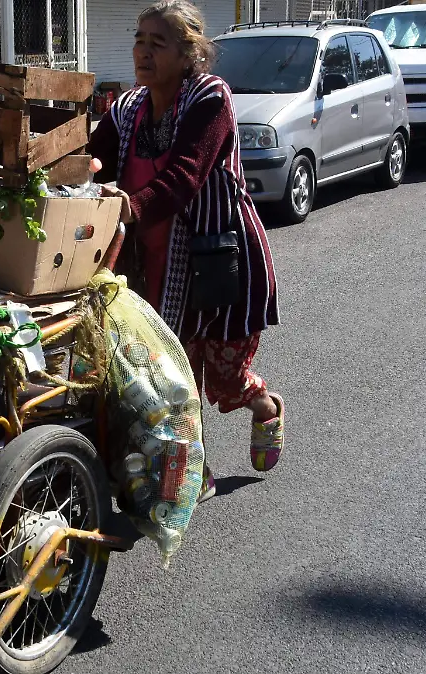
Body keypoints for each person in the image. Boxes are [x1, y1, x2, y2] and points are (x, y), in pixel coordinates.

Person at [86, 0, 283, 502]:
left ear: (188, 52)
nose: (143, 52)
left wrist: (130, 204)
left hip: (214, 258)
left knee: (222, 376)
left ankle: (264, 406)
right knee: (169, 372)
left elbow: (186, 176)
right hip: (145, 260)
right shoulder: (128, 109)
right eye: (139, 40)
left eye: (158, 43)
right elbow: (91, 158)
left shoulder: (210, 99)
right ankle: (192, 469)